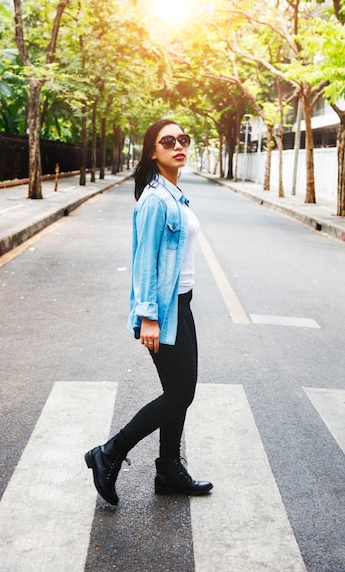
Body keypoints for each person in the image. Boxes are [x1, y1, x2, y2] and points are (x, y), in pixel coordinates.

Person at [85, 118, 213, 505]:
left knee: (179, 392)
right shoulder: (156, 200)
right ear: (152, 151)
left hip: (182, 305)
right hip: (164, 310)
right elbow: (145, 263)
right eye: (167, 140)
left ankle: (169, 470)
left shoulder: (174, 193)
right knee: (179, 394)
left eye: (182, 139)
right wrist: (150, 317)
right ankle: (109, 452)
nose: (178, 145)